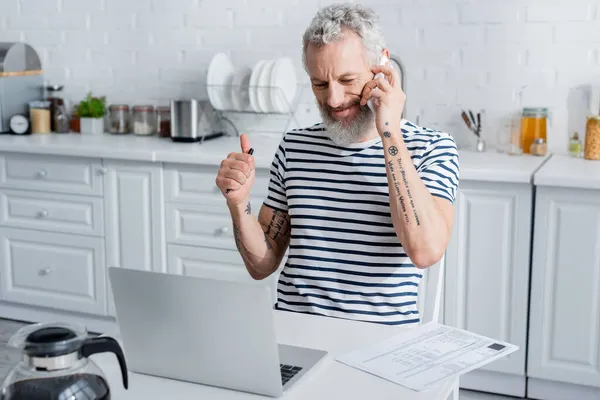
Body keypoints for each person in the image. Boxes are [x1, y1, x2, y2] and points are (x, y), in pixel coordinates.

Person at [215, 3, 459, 326]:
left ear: (381, 65)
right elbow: (262, 265)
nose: (332, 99)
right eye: (319, 84)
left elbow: (425, 251)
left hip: (379, 347)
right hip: (294, 336)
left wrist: (390, 131)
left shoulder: (431, 148)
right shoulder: (294, 148)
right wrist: (238, 204)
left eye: (347, 80)